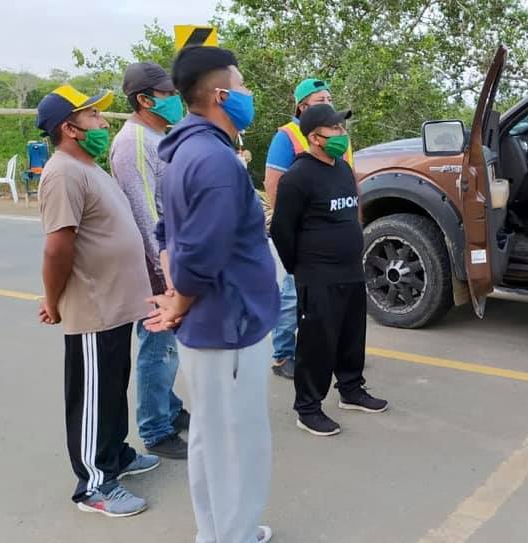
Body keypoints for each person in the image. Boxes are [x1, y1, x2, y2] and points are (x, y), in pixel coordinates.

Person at [145, 45, 278, 543]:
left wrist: (176, 291)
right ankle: (234, 535)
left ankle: (218, 532)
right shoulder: (216, 161)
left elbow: (167, 233)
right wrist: (180, 299)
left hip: (212, 320)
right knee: (237, 443)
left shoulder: (183, 151)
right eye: (242, 85)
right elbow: (203, 249)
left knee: (211, 437)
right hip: (230, 323)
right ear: (221, 95)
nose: (248, 93)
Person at [35, 84, 159, 517]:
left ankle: (115, 455)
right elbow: (58, 247)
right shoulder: (63, 173)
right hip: (93, 307)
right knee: (92, 395)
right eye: (93, 116)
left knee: (111, 388)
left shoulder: (87, 167)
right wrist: (53, 300)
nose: (104, 122)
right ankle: (93, 485)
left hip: (116, 306)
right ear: (69, 128)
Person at [271, 104, 387, 437]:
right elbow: (281, 230)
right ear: (315, 137)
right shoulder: (298, 177)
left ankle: (351, 389)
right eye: (335, 129)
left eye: (342, 127)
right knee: (317, 344)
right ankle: (308, 409)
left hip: (350, 270)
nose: (342, 134)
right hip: (317, 275)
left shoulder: (341, 169)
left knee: (352, 335)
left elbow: (353, 211)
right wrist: (300, 268)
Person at [109, 61, 189, 460]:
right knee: (158, 346)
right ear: (144, 99)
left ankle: (169, 409)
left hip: (170, 258)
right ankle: (156, 428)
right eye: (168, 94)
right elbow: (144, 213)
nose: (175, 99)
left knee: (167, 346)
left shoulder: (159, 136)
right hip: (155, 265)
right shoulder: (134, 142)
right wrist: (164, 272)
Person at [263, 78, 353, 380]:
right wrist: (290, 226)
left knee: (328, 301)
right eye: (320, 99)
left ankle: (327, 352)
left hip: (334, 232)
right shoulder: (287, 136)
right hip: (306, 234)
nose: (328, 102)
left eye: (329, 97)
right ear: (302, 107)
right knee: (292, 295)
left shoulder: (338, 134)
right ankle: (283, 354)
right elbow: (274, 184)